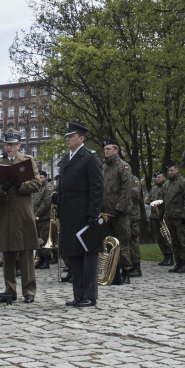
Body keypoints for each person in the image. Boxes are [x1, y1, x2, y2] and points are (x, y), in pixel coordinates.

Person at [0, 131, 45, 303]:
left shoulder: (27, 161)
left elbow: (36, 183)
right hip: (5, 211)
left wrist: (20, 184)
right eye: (6, 144)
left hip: (22, 211)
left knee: (26, 252)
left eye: (12, 144)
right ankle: (9, 291)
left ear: (19, 146)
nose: (9, 147)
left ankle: (29, 291)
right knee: (8, 252)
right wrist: (2, 187)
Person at [55, 122, 105, 307]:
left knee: (88, 255)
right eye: (67, 136)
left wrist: (93, 214)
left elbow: (97, 188)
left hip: (84, 212)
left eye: (72, 136)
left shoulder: (90, 157)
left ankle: (89, 296)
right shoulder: (66, 158)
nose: (68, 138)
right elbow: (61, 188)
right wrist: (60, 211)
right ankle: (78, 294)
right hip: (69, 213)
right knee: (74, 255)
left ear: (81, 138)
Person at [100, 140, 138, 285]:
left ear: (116, 150)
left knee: (123, 242)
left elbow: (127, 190)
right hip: (107, 213)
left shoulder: (123, 166)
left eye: (108, 149)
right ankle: (113, 273)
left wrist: (119, 208)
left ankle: (126, 271)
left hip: (120, 213)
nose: (106, 151)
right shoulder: (105, 168)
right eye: (105, 149)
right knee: (109, 244)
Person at [157, 162, 185, 270]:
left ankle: (184, 263)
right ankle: (177, 262)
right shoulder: (167, 184)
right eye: (168, 171)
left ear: (177, 170)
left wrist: (184, 215)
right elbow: (164, 201)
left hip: (179, 216)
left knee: (182, 240)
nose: (170, 172)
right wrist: (161, 213)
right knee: (173, 240)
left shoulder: (182, 182)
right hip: (169, 216)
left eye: (172, 170)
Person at [33, 169, 56, 268]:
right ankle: (40, 258)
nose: (39, 179)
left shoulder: (48, 188)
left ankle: (46, 259)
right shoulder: (37, 188)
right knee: (38, 240)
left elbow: (46, 203)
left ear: (45, 178)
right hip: (36, 218)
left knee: (45, 239)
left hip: (44, 218)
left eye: (41, 177)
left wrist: (36, 213)